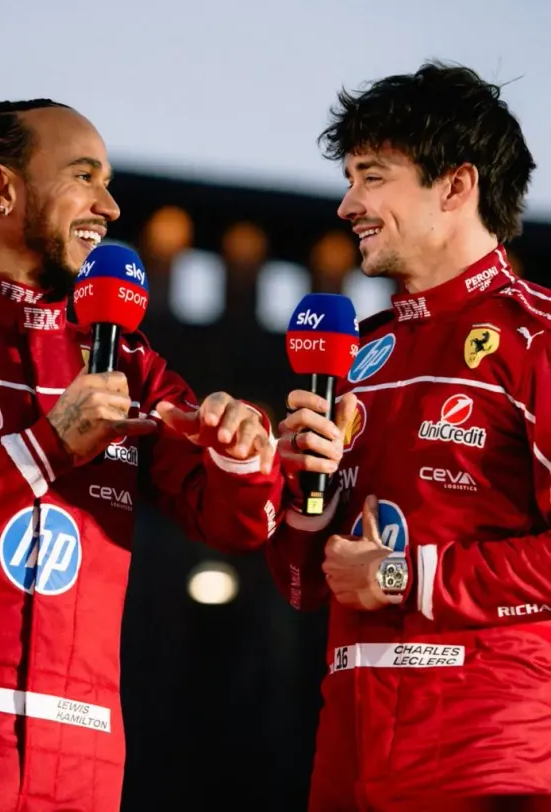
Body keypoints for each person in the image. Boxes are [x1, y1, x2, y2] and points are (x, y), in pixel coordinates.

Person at [0, 99, 283, 812]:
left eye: (108, 183)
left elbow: (235, 525)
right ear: (0, 188)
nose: (109, 207)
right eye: (83, 177)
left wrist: (241, 458)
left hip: (85, 758)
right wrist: (45, 449)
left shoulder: (130, 362)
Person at [266, 62, 551, 811]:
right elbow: (302, 586)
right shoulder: (355, 354)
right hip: (347, 750)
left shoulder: (537, 338)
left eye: (372, 177)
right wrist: (300, 494)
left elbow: (386, 576)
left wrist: (406, 577)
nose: (347, 204)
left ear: (456, 186)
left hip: (489, 756)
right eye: (349, 179)